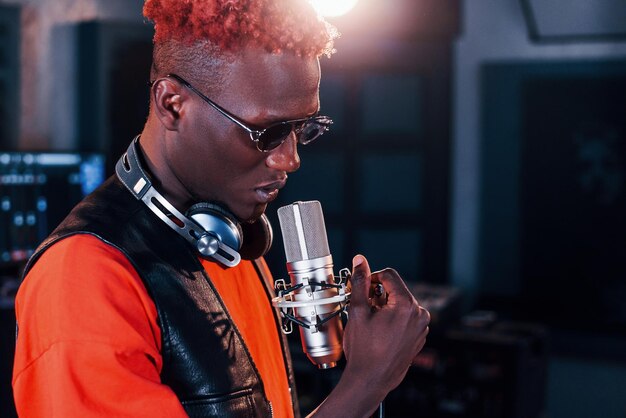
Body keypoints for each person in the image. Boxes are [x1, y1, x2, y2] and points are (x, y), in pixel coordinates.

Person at [12, 0, 430, 416]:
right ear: (173, 104)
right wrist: (365, 386)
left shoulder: (231, 242)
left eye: (302, 129)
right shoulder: (84, 277)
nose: (291, 160)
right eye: (266, 133)